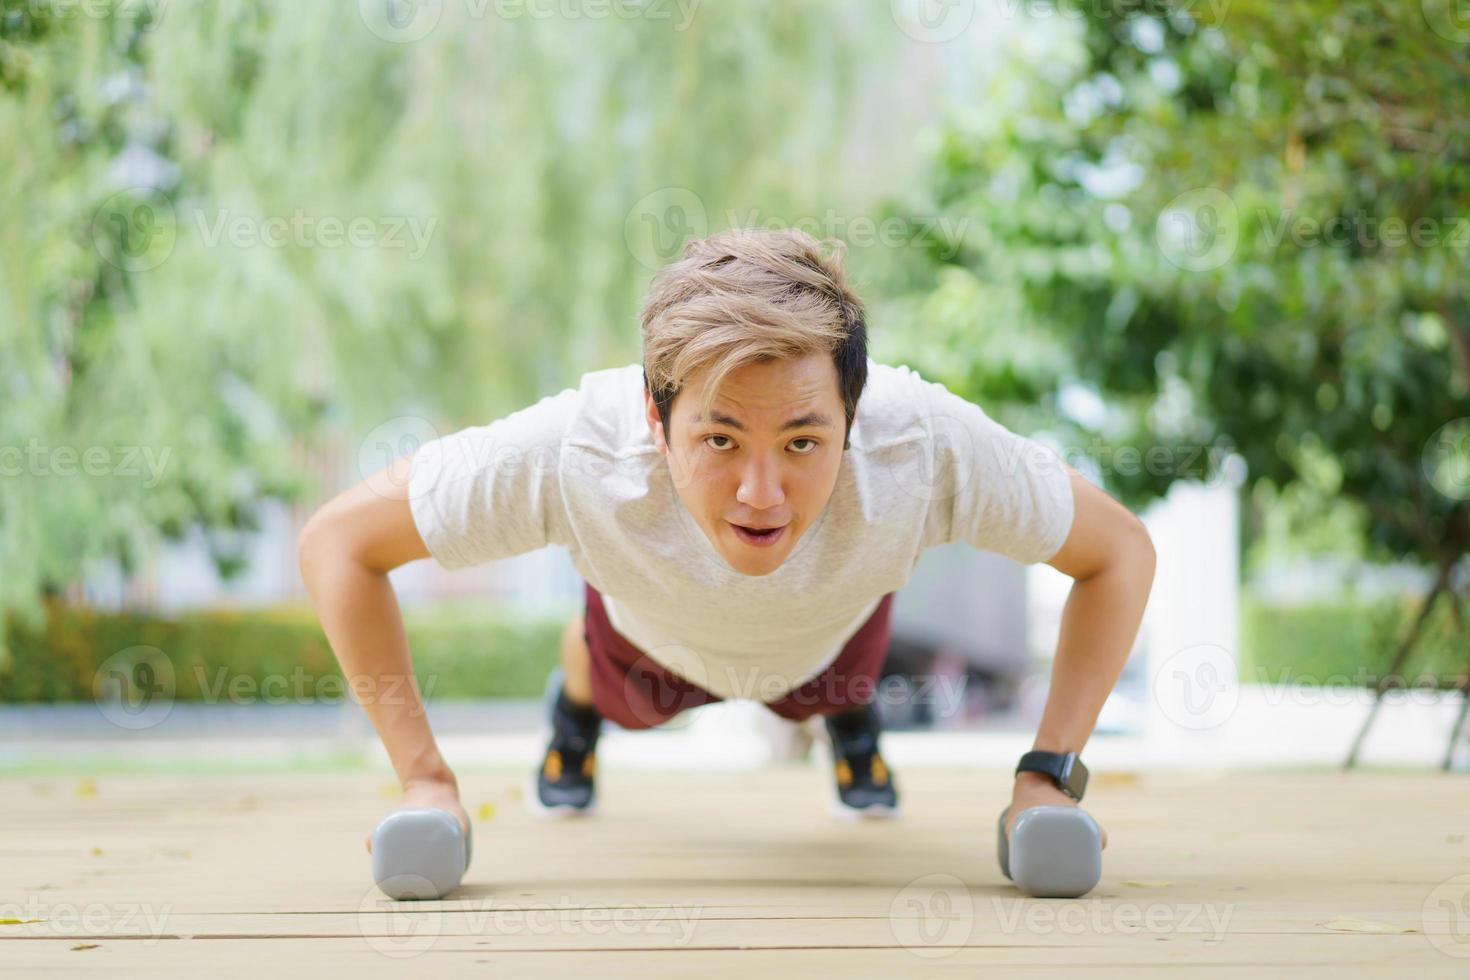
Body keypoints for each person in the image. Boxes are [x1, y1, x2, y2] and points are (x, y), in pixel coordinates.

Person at [298, 228, 1155, 857]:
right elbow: (338, 543)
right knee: (608, 688)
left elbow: (1119, 553)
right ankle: (575, 714)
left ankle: (850, 727)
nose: (760, 493)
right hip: (648, 650)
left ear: (854, 416)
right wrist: (426, 782)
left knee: (841, 680)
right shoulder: (577, 450)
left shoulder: (919, 444)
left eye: (803, 442)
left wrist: (1046, 772)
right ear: (653, 416)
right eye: (718, 440)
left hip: (831, 645)